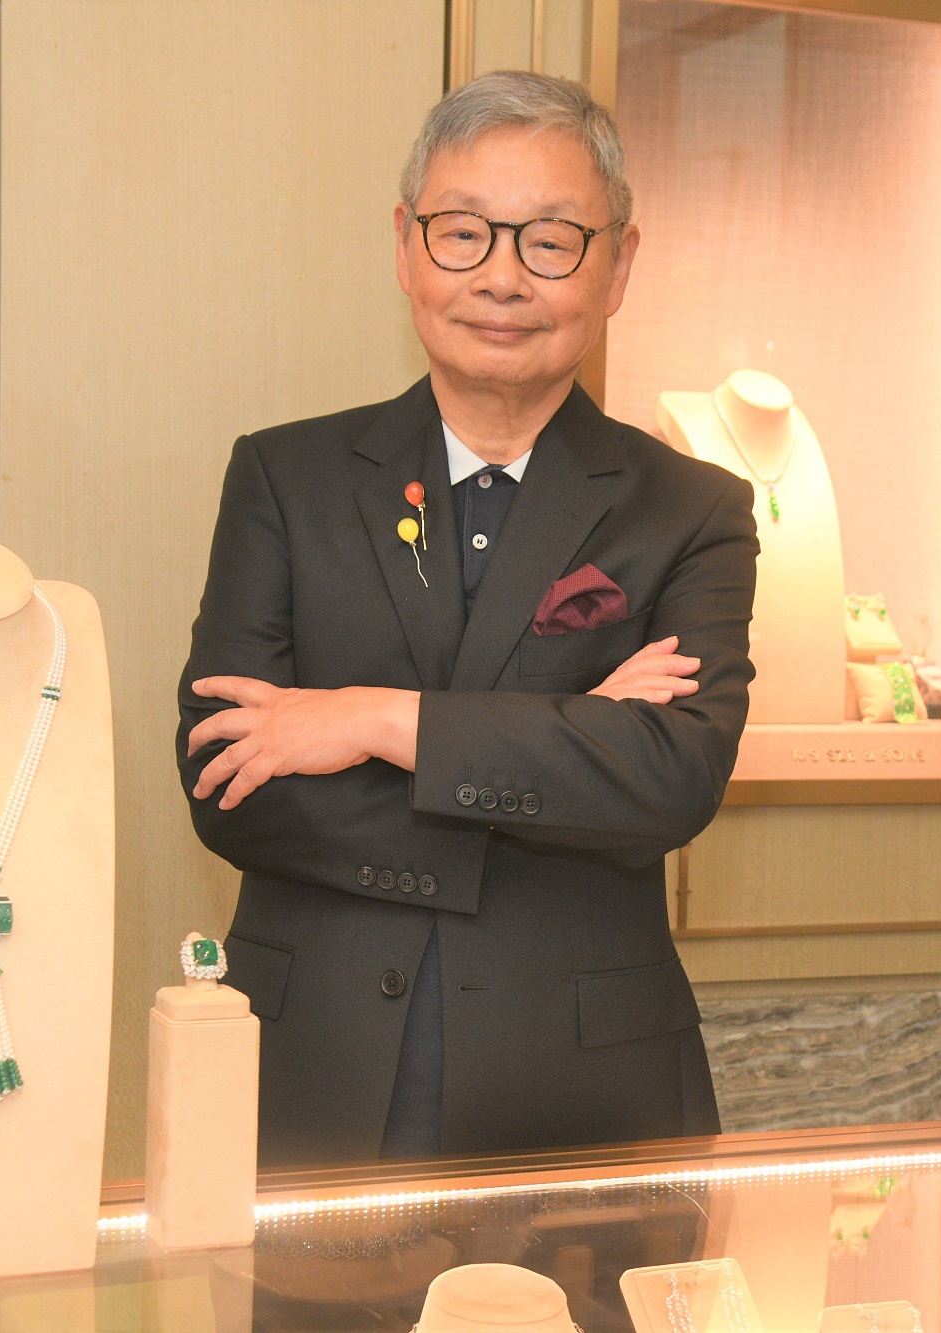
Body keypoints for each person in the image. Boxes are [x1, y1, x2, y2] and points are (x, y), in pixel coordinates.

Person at [176, 71, 756, 1167]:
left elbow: (670, 780)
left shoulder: (690, 509)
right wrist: (570, 744)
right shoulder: (286, 479)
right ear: (405, 247)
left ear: (618, 264)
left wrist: (373, 720)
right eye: (461, 234)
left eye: (551, 240)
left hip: (585, 1084)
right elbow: (227, 779)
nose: (500, 276)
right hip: (318, 1073)